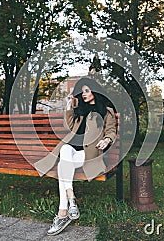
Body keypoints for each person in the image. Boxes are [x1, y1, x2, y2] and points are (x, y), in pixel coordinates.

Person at [41, 77, 117, 236]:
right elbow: (68, 125)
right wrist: (69, 104)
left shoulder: (106, 111)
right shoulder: (81, 111)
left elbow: (111, 131)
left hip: (89, 153)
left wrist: (107, 139)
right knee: (65, 152)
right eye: (82, 92)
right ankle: (71, 200)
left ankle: (63, 212)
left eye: (87, 91)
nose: (84, 94)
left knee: (63, 167)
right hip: (73, 151)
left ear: (95, 91)